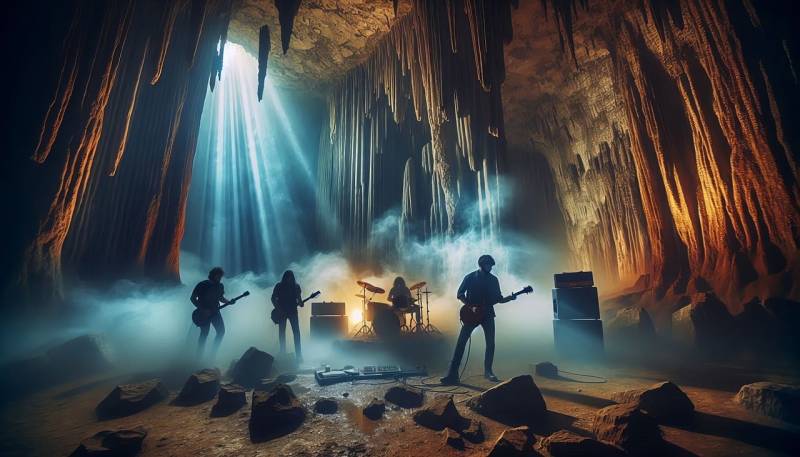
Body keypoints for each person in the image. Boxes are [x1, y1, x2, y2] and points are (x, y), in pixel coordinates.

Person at [440, 255, 515, 385]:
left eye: (491, 265)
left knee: (490, 344)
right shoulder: (470, 277)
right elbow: (460, 294)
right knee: (461, 343)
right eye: (488, 265)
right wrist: (470, 306)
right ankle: (452, 374)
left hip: (488, 315)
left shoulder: (493, 280)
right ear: (481, 265)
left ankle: (488, 371)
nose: (490, 267)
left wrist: (511, 297)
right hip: (471, 315)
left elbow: (499, 299)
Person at [191, 267, 230, 359]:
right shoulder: (202, 284)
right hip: (202, 314)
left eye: (220, 276)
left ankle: (212, 355)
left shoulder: (220, 286)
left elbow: (221, 298)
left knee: (221, 332)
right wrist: (202, 310)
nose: (220, 278)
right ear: (213, 275)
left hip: (215, 312)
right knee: (204, 334)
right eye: (218, 275)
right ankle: (198, 357)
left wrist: (228, 302)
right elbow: (192, 298)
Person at [272, 270, 303, 362]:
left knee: (296, 333)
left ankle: (298, 355)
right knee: (282, 333)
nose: (289, 279)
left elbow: (299, 300)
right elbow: (273, 298)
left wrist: (301, 303)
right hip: (283, 313)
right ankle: (283, 353)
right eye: (288, 277)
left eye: (291, 277)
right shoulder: (279, 286)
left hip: (292, 312)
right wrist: (278, 309)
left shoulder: (296, 287)